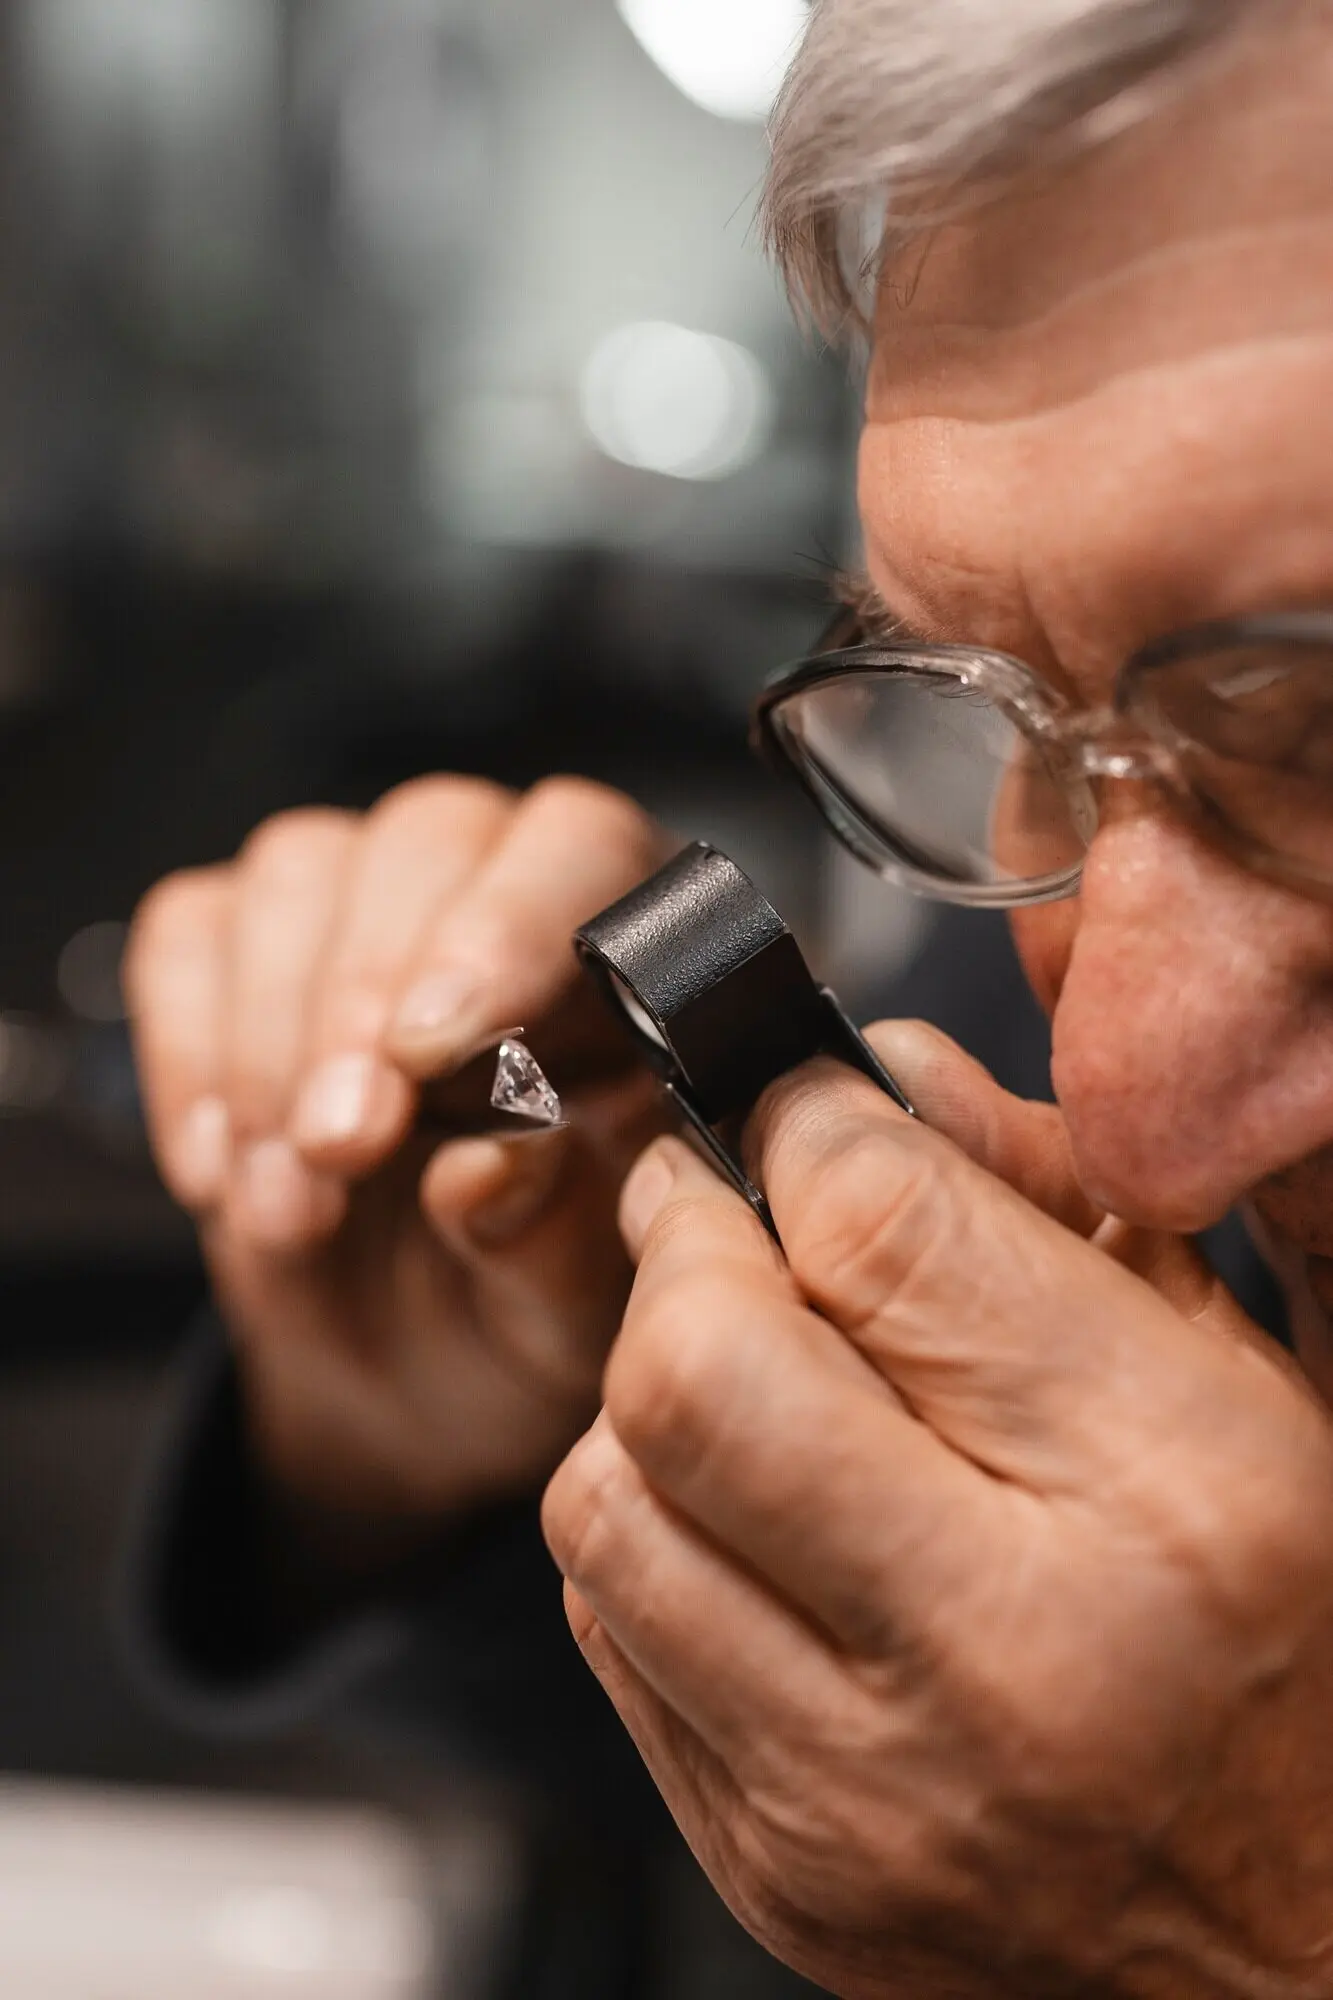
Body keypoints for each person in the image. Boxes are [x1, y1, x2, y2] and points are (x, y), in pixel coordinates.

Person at [123, 1, 1333, 1993]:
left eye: (1309, 743)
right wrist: (479, 1458)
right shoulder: (995, 989)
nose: (1128, 1105)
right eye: (1004, 701)